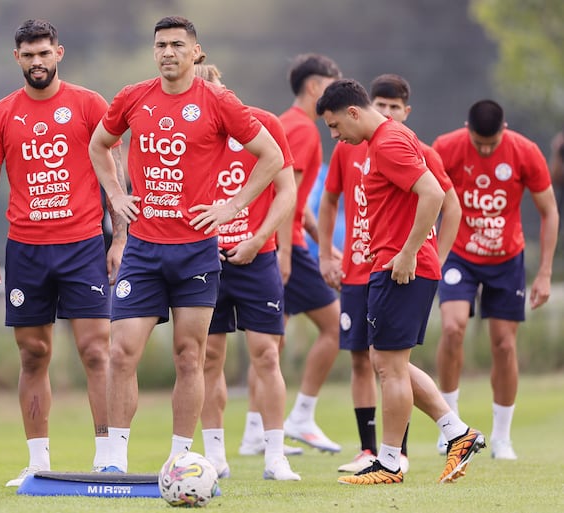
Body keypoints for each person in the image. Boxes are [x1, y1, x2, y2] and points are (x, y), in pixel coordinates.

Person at [88, 16, 284, 473]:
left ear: (197, 52)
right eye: (161, 45)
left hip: (197, 249)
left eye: (178, 44)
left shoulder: (218, 101)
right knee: (120, 351)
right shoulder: (133, 97)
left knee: (189, 355)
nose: (168, 52)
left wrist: (232, 207)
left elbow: (271, 156)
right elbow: (100, 144)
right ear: (153, 51)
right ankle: (114, 457)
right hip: (143, 248)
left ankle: (179, 457)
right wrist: (117, 196)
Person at [0, 19, 127, 485]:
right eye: (28, 54)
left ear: (58, 53)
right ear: (16, 58)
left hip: (83, 247)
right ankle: (39, 463)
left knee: (96, 350)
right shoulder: (0, 114)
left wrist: (119, 239)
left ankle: (107, 458)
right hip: (26, 250)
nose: (37, 62)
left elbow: (115, 174)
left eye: (44, 53)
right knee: (33, 354)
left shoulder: (88, 104)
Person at [316, 78, 485, 485]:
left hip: (399, 267)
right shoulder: (391, 137)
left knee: (389, 368)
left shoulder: (388, 143)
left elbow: (434, 195)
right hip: (395, 265)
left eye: (336, 126)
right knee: (390, 363)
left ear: (353, 112)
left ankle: (389, 462)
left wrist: (409, 253)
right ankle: (457, 432)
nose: (336, 136)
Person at [432, 100, 559, 460]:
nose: (485, 149)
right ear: (466, 129)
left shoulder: (525, 152)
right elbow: (427, 197)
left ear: (504, 129)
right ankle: (451, 427)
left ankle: (502, 437)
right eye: (478, 142)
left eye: (492, 143)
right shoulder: (446, 147)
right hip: (458, 254)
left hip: (507, 259)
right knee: (453, 328)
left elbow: (549, 211)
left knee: (504, 345)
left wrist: (545, 272)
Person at [193, 60, 300, 481]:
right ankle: (215, 456)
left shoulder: (263, 124)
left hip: (258, 258)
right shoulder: (189, 134)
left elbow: (287, 191)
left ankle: (275, 455)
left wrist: (259, 239)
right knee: (208, 359)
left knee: (267, 354)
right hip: (205, 261)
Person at [239, 53, 343, 456]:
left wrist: (324, 240)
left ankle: (254, 432)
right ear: (316, 88)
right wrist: (284, 253)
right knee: (336, 328)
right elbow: (285, 195)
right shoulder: (299, 129)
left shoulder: (290, 124)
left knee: (269, 342)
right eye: (333, 84)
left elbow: (301, 205)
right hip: (287, 247)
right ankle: (301, 414)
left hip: (292, 240)